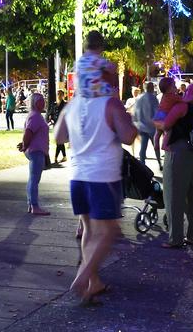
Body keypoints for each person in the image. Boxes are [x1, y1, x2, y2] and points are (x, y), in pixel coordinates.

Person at [53, 77, 137, 305]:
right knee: (109, 231)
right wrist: (130, 123)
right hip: (102, 176)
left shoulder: (73, 104)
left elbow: (59, 136)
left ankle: (94, 283)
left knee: (89, 229)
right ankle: (82, 277)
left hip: (78, 175)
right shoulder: (109, 104)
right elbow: (128, 137)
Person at [154, 83, 193, 248]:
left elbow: (165, 125)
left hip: (178, 152)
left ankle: (175, 238)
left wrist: (156, 121)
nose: (183, 90)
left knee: (173, 196)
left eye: (189, 89)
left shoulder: (181, 107)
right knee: (192, 195)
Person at [18, 93, 50, 215]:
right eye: (41, 100)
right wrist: (24, 144)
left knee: (33, 179)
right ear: (35, 103)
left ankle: (31, 204)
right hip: (36, 151)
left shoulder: (34, 115)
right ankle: (34, 206)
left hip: (36, 150)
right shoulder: (36, 116)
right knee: (34, 179)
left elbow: (29, 133)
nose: (44, 102)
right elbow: (29, 132)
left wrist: (24, 144)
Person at [153, 77, 184, 171]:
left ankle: (157, 152)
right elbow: (183, 101)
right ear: (170, 88)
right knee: (169, 132)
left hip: (159, 114)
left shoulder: (164, 96)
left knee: (157, 135)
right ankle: (166, 148)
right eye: (174, 85)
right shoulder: (172, 96)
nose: (175, 87)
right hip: (165, 116)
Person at [75, 30, 117, 98]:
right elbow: (112, 68)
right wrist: (114, 65)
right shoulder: (97, 59)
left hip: (82, 91)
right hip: (95, 89)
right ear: (100, 46)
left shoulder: (81, 59)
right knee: (114, 92)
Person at [132, 82, 159, 166]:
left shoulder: (139, 98)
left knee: (143, 147)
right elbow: (156, 111)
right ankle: (159, 162)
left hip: (141, 126)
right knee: (156, 145)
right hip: (151, 126)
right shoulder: (153, 98)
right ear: (151, 88)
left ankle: (142, 164)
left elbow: (135, 112)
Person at [49, 90, 67, 163]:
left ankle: (56, 158)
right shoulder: (54, 104)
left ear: (63, 95)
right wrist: (51, 119)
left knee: (59, 142)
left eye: (60, 94)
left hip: (62, 126)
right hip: (55, 125)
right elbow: (51, 114)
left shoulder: (65, 104)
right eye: (58, 94)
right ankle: (64, 156)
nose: (59, 95)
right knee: (60, 142)